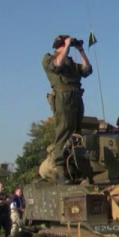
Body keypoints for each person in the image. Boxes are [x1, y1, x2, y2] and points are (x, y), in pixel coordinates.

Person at [42, 34, 93, 185]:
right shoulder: (48, 59)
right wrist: (66, 46)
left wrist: (81, 50)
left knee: (77, 135)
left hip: (77, 96)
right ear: (59, 45)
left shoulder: (71, 63)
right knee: (63, 133)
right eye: (66, 45)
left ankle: (75, 168)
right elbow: (56, 66)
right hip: (63, 98)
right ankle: (61, 172)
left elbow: (87, 70)